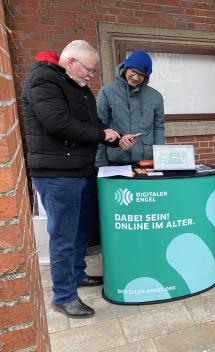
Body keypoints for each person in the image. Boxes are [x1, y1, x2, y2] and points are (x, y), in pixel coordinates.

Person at [22, 40, 128, 317]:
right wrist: (100, 134)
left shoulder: (77, 87)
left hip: (80, 169)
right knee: (64, 237)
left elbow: (92, 125)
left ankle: (78, 275)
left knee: (80, 232)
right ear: (71, 62)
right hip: (58, 174)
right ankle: (64, 296)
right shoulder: (43, 81)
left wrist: (115, 139)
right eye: (89, 70)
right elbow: (58, 123)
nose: (91, 76)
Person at [96, 50, 165, 166]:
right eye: (133, 72)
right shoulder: (107, 92)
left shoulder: (156, 97)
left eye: (141, 74)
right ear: (126, 69)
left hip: (146, 161)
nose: (136, 77)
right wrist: (100, 163)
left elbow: (158, 128)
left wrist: (160, 158)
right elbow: (99, 128)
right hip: (116, 160)